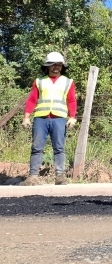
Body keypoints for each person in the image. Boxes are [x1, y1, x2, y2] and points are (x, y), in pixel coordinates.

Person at [20, 52, 78, 185]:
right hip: (41, 119)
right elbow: (32, 100)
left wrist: (72, 117)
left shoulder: (68, 82)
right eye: (53, 65)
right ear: (47, 66)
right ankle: (33, 176)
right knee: (36, 147)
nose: (56, 67)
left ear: (62, 67)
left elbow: (71, 101)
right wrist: (26, 117)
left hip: (59, 119)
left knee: (59, 147)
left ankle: (60, 176)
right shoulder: (39, 81)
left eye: (59, 65)